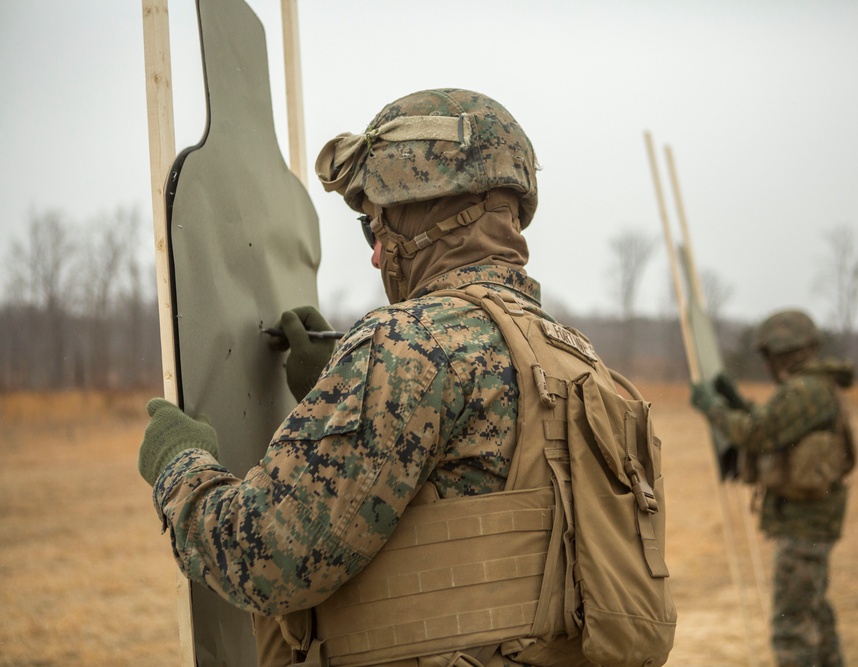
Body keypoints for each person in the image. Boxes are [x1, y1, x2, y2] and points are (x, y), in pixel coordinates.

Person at [138, 88, 674, 667]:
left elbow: (268, 558)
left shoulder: (409, 345)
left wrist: (181, 466)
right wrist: (339, 388)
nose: (374, 256)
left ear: (428, 213)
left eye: (375, 227)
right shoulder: (574, 357)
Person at [690, 309, 856, 667]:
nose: (766, 364)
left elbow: (758, 434)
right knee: (815, 615)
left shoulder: (805, 391)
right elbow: (773, 425)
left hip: (804, 525)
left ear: (783, 353)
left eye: (768, 356)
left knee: (792, 628)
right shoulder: (814, 388)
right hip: (810, 524)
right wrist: (737, 404)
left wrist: (714, 409)